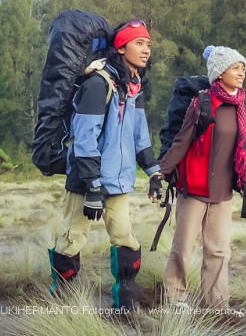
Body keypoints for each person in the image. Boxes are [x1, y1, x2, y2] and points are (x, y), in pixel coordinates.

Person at [49, 19, 163, 310]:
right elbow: (84, 138)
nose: (146, 49)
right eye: (139, 43)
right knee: (72, 239)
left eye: (148, 44)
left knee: (126, 238)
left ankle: (126, 308)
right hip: (87, 182)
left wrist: (154, 173)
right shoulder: (98, 84)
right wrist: (93, 186)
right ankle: (61, 305)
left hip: (119, 182)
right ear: (121, 47)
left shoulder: (133, 87)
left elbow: (140, 136)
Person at [158, 45, 246, 310]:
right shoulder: (201, 103)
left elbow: (242, 149)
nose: (241, 72)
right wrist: (160, 172)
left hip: (223, 193)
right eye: (236, 67)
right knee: (183, 248)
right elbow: (181, 141)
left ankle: (216, 304)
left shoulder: (241, 106)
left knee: (219, 251)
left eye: (243, 68)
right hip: (194, 188)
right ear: (220, 72)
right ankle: (176, 299)